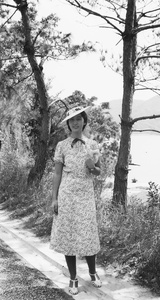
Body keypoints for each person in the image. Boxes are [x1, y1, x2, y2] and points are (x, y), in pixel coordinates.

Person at [50, 105, 102, 295]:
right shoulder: (61, 145)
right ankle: (73, 278)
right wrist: (54, 198)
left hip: (86, 194)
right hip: (67, 195)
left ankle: (93, 272)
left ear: (84, 121)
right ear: (68, 124)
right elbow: (57, 173)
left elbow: (98, 171)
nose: (76, 122)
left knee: (88, 233)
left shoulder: (93, 144)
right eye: (72, 120)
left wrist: (91, 167)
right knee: (68, 235)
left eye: (79, 118)